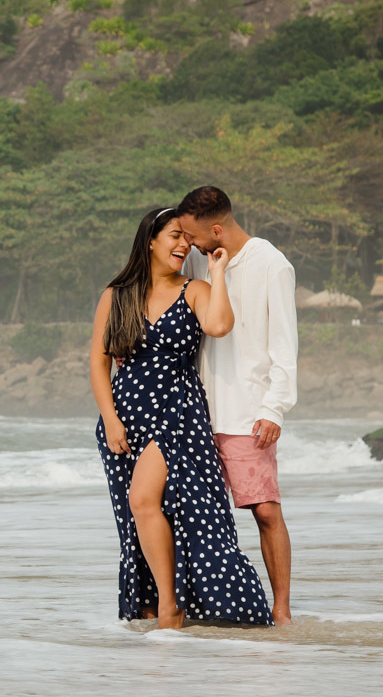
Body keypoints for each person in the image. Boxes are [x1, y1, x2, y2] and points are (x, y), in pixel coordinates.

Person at [89, 206, 273, 630]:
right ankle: (157, 606)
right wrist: (111, 421)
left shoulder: (196, 289)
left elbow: (220, 325)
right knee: (138, 520)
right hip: (124, 417)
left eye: (186, 238)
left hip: (176, 413)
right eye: (174, 236)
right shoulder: (116, 295)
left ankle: (170, 607)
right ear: (150, 240)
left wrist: (219, 273)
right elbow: (99, 365)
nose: (183, 245)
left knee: (146, 501)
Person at [177, 186, 298, 627]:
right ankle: (197, 606)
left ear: (215, 229)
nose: (186, 244)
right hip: (194, 411)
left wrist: (275, 409)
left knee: (265, 510)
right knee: (197, 517)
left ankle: (281, 609)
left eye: (191, 235)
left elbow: (285, 346)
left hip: (248, 413)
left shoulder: (272, 265)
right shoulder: (194, 261)